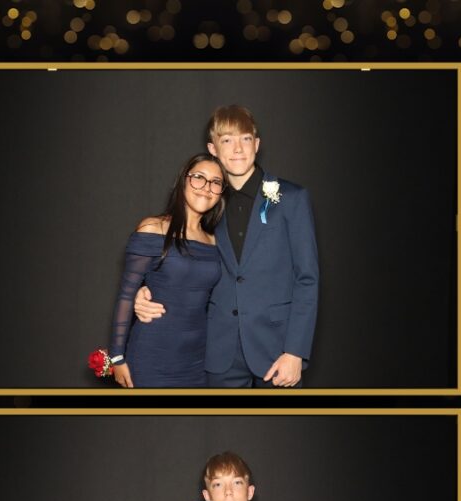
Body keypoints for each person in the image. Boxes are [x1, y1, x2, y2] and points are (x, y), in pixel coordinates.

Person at [133, 105, 319, 389]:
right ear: (213, 149)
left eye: (245, 138)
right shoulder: (206, 203)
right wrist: (144, 291)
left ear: (256, 145)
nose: (238, 149)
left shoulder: (292, 198)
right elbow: (181, 261)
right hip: (218, 350)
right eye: (227, 140)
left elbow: (307, 278)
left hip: (278, 349)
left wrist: (295, 351)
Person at [108, 153, 225, 389]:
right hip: (152, 354)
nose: (206, 187)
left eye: (216, 182)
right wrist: (117, 356)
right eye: (199, 177)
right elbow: (126, 294)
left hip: (197, 360)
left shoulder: (215, 240)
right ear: (183, 181)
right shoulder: (154, 228)